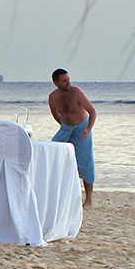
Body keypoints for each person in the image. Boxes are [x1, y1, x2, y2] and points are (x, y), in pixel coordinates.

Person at [48, 68, 97, 207]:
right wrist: (64, 125)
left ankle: (88, 199)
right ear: (56, 82)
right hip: (66, 129)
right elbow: (55, 114)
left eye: (68, 79)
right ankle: (58, 193)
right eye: (64, 81)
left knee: (85, 161)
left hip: (82, 128)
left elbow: (93, 112)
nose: (68, 82)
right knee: (53, 153)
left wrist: (88, 129)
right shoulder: (53, 97)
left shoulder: (76, 92)